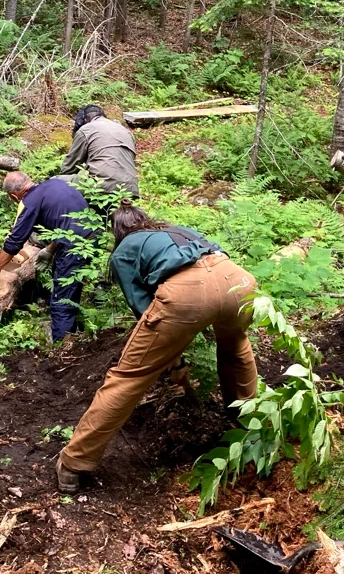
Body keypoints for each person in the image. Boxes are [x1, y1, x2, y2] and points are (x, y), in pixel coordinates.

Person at [55, 201, 258, 494]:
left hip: (189, 292)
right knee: (235, 346)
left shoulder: (124, 250)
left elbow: (144, 309)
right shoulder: (176, 230)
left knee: (129, 377)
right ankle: (250, 427)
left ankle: (74, 463)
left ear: (117, 232)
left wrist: (172, 359)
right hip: (238, 281)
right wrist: (175, 360)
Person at [0, 172, 92, 342]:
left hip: (74, 246)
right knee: (69, 288)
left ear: (13, 196)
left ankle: (63, 346)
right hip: (92, 237)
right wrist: (50, 249)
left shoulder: (30, 201)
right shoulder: (56, 184)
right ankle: (74, 332)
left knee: (62, 299)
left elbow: (15, 241)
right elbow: (65, 222)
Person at [58, 105, 139, 197]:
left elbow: (70, 167)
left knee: (55, 182)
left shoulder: (86, 129)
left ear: (84, 119)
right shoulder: (126, 131)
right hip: (131, 189)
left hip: (101, 186)